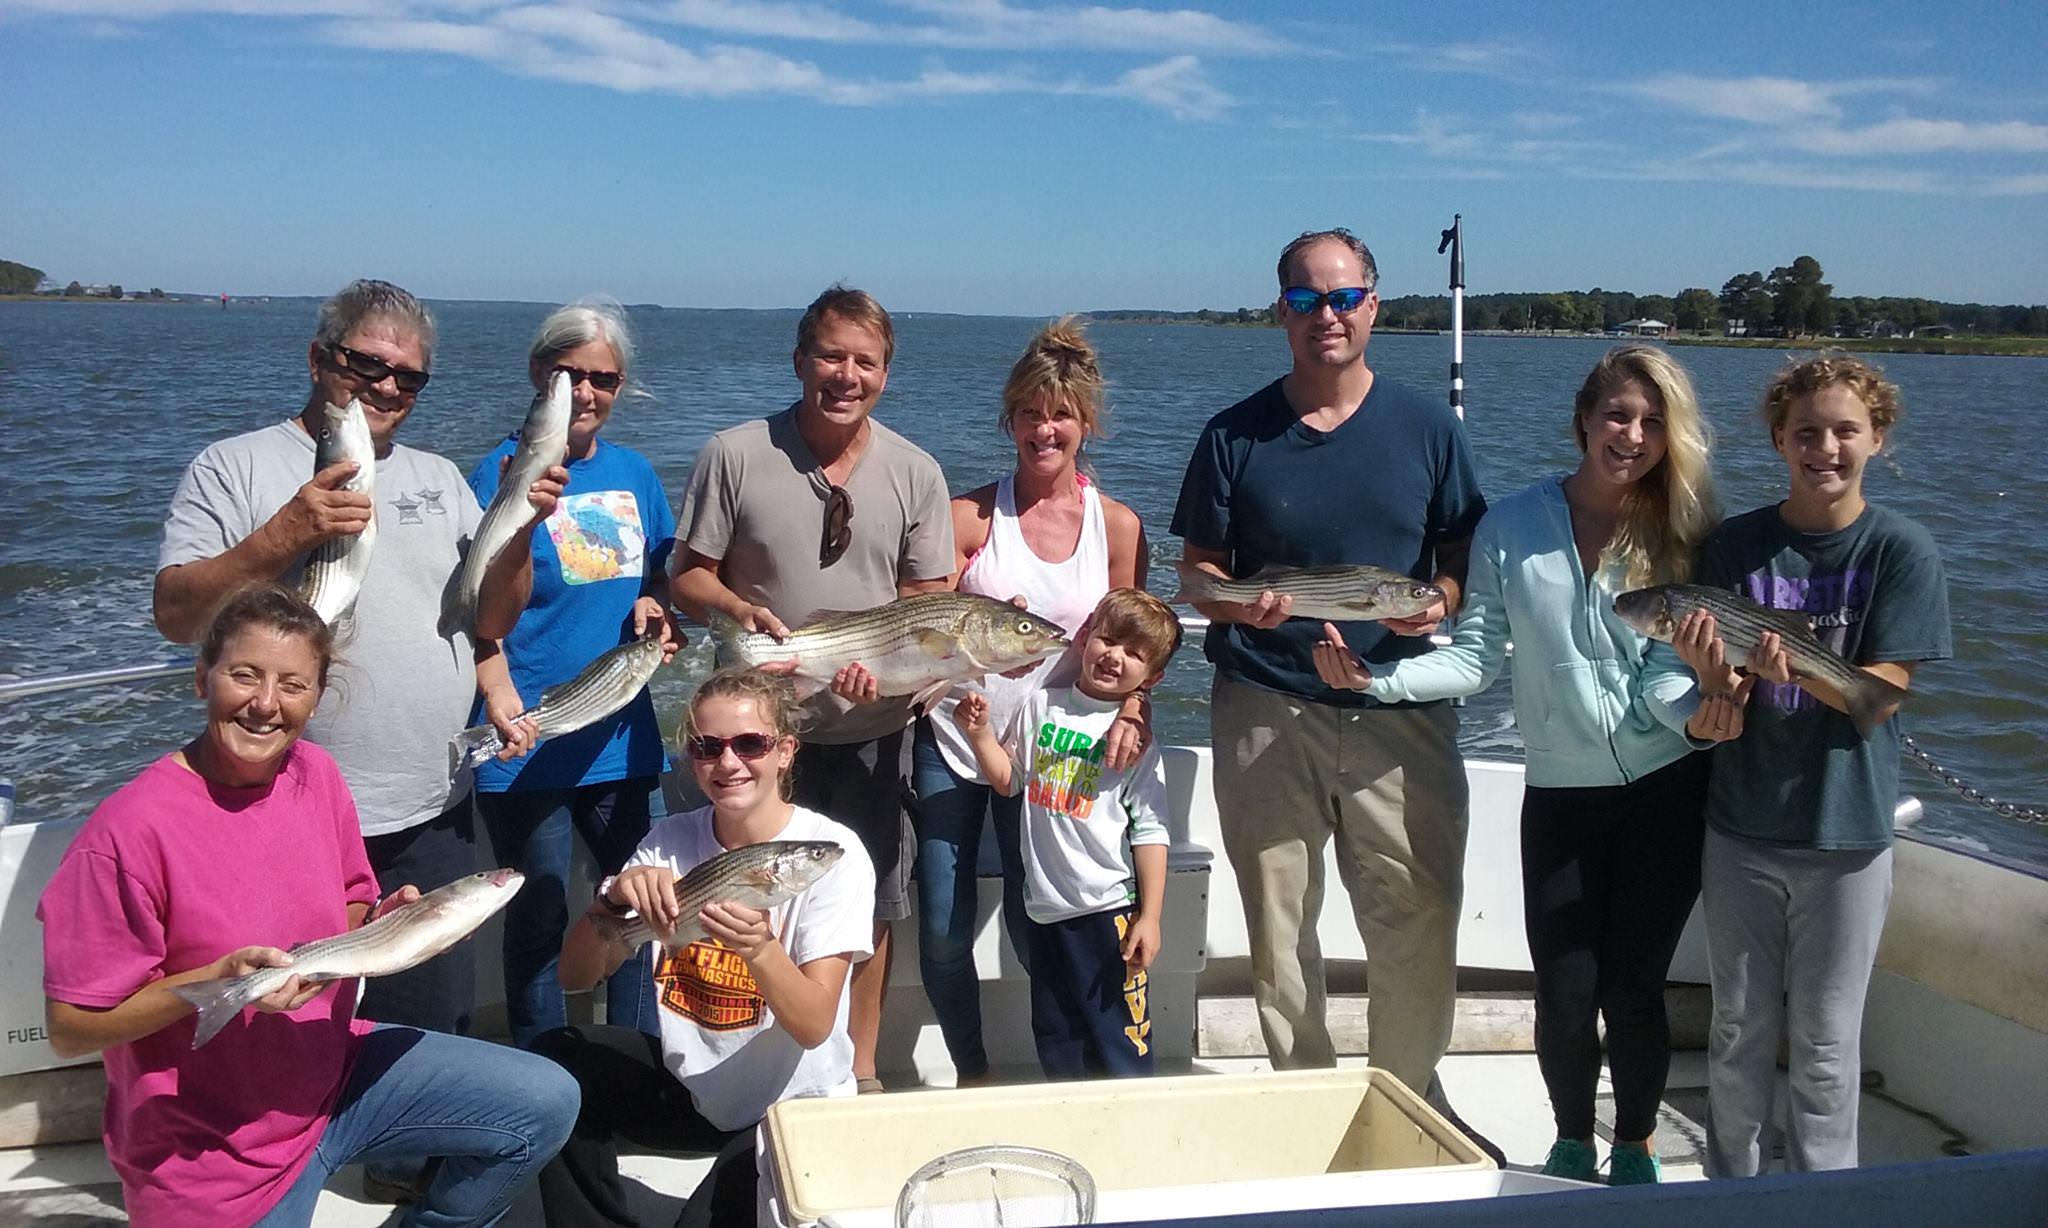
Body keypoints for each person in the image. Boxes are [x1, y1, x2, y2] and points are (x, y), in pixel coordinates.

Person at [153, 279, 565, 1198]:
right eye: (365, 366)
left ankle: (405, 1187)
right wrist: (288, 532)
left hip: (431, 806)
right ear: (319, 361)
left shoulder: (438, 480)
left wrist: (520, 521)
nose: (385, 388)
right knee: (271, 1031)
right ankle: (268, 1188)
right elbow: (177, 615)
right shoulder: (236, 467)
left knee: (430, 1032)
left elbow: (489, 617)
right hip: (281, 821)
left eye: (407, 378)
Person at [1314, 345, 1743, 1184]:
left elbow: (1666, 680)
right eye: (1618, 414)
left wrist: (1701, 720)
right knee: (1567, 989)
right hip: (1562, 795)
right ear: (1583, 418)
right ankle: (1573, 1141)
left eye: (1654, 423)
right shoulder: (1510, 524)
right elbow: (1475, 659)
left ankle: (1636, 1147)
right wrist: (1376, 680)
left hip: (1667, 790)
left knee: (1633, 989)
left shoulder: (1682, 531)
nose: (1633, 435)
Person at [39, 585, 579, 1228]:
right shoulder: (127, 833)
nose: (266, 704)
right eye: (245, 675)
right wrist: (217, 982)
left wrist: (388, 926)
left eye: (293, 685)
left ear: (317, 699)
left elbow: (348, 910)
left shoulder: (316, 775)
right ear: (200, 678)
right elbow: (71, 1027)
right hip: (211, 1152)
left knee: (546, 1100)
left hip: (334, 1071)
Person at [1170, 229, 1487, 1118]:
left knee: (1417, 918)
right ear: (1283, 313)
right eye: (1307, 301)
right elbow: (1196, 571)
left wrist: (1441, 598)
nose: (1328, 316)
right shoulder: (1233, 433)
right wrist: (1236, 604)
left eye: (1344, 297)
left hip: (1399, 712)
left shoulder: (1429, 428)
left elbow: (1464, 546)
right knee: (1279, 925)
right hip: (1266, 708)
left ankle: (1410, 1096)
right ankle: (1306, 1101)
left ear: (1375, 306)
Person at [1655, 354, 1951, 1177]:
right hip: (1742, 828)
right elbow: (1712, 684)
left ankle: (1827, 1198)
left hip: (1847, 832)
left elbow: (1885, 692)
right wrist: (1720, 676)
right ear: (1779, 441)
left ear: (1877, 439)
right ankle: (1732, 1190)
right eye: (1806, 433)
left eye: (1845, 430)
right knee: (1737, 1030)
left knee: (1825, 1044)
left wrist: (1815, 676)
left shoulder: (1902, 549)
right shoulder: (1735, 545)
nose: (1825, 448)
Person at [670, 285, 953, 1092]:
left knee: (866, 906)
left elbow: (930, 596)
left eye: (866, 361)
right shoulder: (736, 452)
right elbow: (689, 574)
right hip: (754, 739)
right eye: (831, 355)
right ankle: (735, 1063)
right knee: (738, 900)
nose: (846, 375)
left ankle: (856, 1068)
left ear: (887, 375)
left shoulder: (916, 472)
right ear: (800, 361)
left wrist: (894, 667)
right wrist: (736, 608)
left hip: (869, 728)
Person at [535, 668, 877, 1228]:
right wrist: (609, 907)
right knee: (556, 1059)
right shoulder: (666, 842)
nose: (728, 763)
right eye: (706, 747)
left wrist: (762, 950)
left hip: (791, 1110)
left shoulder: (836, 854)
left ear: (786, 752)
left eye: (750, 744)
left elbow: (815, 1024)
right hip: (693, 1090)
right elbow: (575, 976)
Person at [916, 317, 1150, 1084]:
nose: (1043, 430)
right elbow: (917, 630)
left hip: (1057, 754)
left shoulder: (1116, 527)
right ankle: (973, 1070)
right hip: (956, 745)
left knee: (1036, 918)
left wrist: (1134, 712)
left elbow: (1141, 645)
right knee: (947, 927)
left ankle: (1077, 1061)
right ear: (1009, 419)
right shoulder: (969, 518)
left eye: (1060, 415)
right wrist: (969, 640)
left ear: (1085, 424)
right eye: (1028, 413)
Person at [469, 298, 680, 1049]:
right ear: (539, 375)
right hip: (525, 738)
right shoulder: (496, 472)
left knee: (641, 911)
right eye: (570, 376)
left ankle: (636, 1066)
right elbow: (471, 613)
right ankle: (546, 1082)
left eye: (604, 379)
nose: (587, 394)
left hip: (622, 739)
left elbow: (659, 572)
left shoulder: (636, 474)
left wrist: (657, 601)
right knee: (540, 920)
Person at [953, 588, 1179, 1080]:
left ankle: (1133, 1128)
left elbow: (1151, 830)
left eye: (1134, 654)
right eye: (1108, 640)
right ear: (1085, 639)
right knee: (1058, 1038)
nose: (1114, 657)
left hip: (1107, 911)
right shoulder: (1039, 706)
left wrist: (1151, 916)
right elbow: (1009, 780)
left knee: (1121, 1037)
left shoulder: (1135, 739)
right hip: (1045, 911)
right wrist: (980, 736)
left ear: (1153, 678)